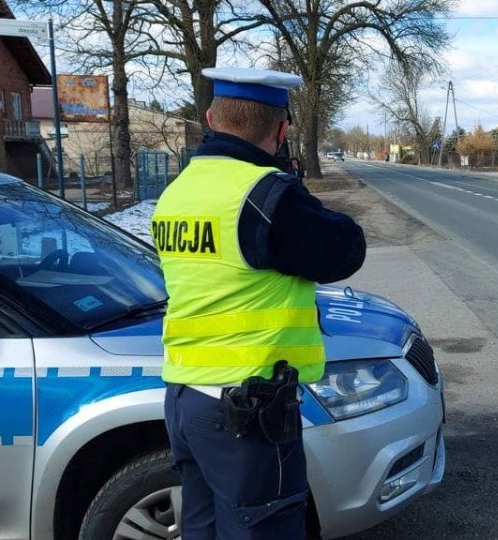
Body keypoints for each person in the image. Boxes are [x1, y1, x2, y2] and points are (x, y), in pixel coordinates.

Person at [151, 66, 366, 540]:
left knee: (203, 528)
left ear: (209, 117)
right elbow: (346, 249)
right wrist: (290, 182)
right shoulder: (266, 196)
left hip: (185, 401)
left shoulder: (176, 193)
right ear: (283, 130)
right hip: (247, 414)